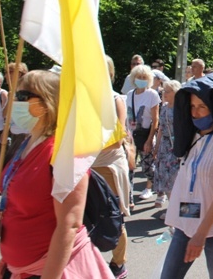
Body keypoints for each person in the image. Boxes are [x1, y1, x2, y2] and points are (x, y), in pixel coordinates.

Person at [0, 70, 112, 278]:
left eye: (22, 97)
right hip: (17, 269)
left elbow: (69, 225)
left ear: (47, 103)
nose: (15, 103)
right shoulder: (24, 145)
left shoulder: (64, 153)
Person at [161, 73, 213, 279]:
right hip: (187, 226)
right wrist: (181, 221)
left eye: (202, 107)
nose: (196, 113)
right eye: (192, 107)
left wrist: (200, 235)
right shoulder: (192, 137)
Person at [92, 56, 131, 279]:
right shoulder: (83, 100)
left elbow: (117, 138)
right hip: (87, 164)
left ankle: (119, 263)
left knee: (112, 216)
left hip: (109, 164)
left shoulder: (116, 100)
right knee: (85, 217)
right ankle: (90, 260)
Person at [126, 64, 161, 201]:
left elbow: (155, 119)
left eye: (144, 77)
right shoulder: (130, 95)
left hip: (145, 135)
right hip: (130, 137)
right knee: (129, 168)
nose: (141, 79)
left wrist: (149, 139)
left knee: (147, 168)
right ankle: (128, 196)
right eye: (139, 77)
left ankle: (155, 189)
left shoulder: (152, 95)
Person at [154, 80, 182, 218]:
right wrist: (156, 147)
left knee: (176, 178)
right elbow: (161, 128)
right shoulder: (164, 107)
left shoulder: (182, 108)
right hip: (165, 147)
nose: (164, 94)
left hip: (177, 147)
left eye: (167, 91)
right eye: (164, 91)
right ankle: (173, 209)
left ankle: (178, 211)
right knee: (166, 178)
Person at [4, 63, 29, 164]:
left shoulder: (27, 90)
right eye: (5, 72)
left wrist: (17, 99)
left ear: (19, 74)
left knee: (12, 164)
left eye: (9, 72)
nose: (6, 75)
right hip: (15, 132)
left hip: (25, 133)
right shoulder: (12, 92)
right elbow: (5, 114)